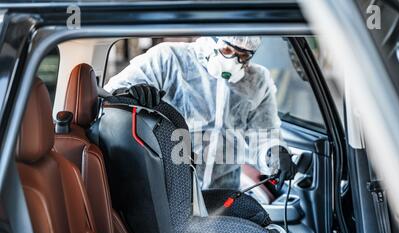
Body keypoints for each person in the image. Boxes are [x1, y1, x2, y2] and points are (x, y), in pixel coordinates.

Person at [105, 36, 296, 190]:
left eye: (243, 55)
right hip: (171, 191)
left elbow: (264, 134)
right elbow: (111, 95)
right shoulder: (168, 59)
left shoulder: (257, 81)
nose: (233, 61)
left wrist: (274, 152)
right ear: (211, 40)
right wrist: (132, 94)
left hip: (223, 192)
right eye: (227, 50)